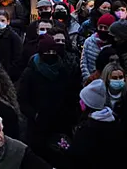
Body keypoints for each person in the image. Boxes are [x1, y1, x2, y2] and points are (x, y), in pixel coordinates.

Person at [17, 35, 80, 163]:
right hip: (38, 126)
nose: (50, 55)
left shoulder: (63, 70)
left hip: (60, 124)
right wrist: (35, 115)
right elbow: (22, 99)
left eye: (53, 52)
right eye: (47, 52)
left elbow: (71, 95)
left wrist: (69, 115)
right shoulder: (30, 73)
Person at [65, 79, 127, 168]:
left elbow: (77, 157)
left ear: (86, 104)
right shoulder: (114, 122)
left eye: (82, 100)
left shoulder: (87, 130)